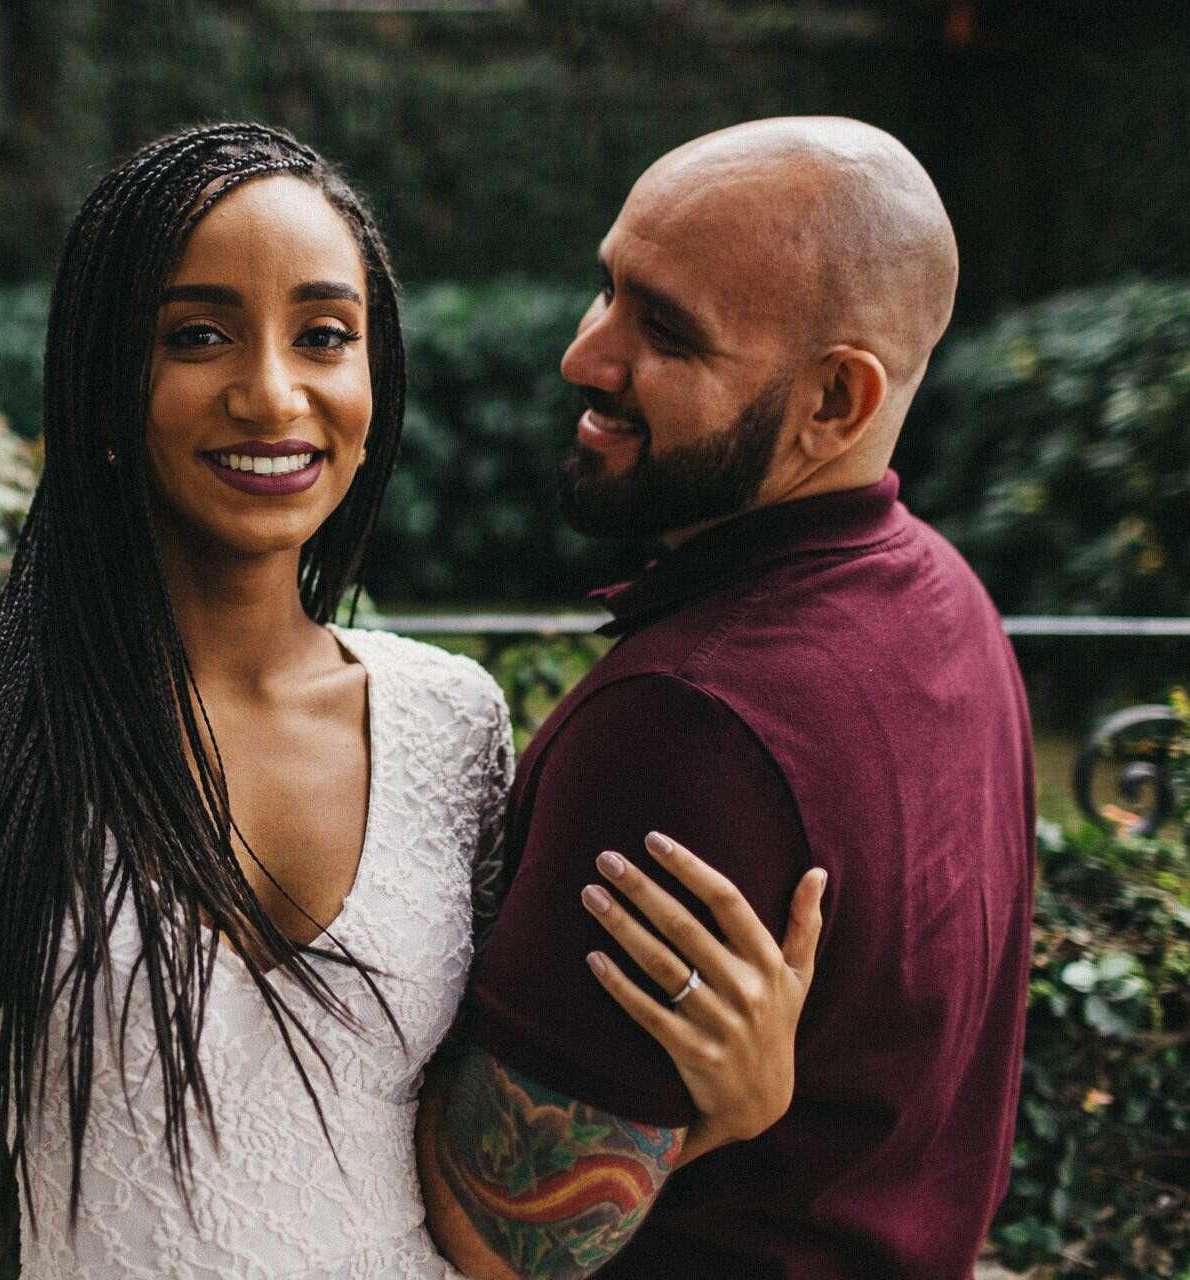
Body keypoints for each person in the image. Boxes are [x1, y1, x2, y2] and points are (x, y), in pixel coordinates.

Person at [0, 123, 820, 1280]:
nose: (270, 391)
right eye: (196, 335)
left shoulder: (451, 722)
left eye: (324, 335)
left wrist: (729, 1111)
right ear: (101, 379)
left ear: (373, 377)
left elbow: (488, 1179)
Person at [419, 117, 1036, 1279]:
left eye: (664, 330)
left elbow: (497, 1238)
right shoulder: (945, 597)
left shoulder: (688, 723)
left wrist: (725, 1117)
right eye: (608, 287)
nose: (585, 354)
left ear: (835, 400)